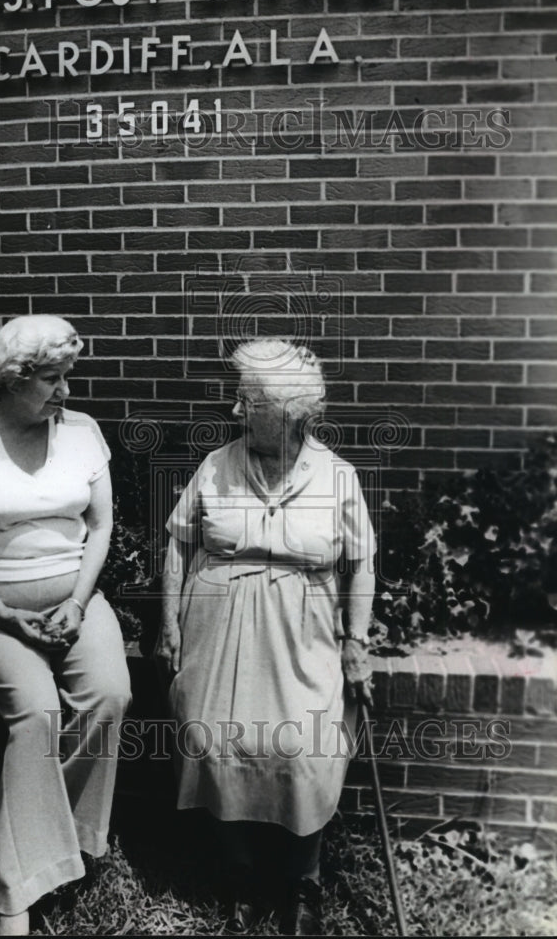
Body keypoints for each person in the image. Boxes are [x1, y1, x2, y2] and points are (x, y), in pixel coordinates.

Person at [155, 338, 375, 936]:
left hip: (302, 640)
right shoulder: (216, 465)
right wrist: (169, 620)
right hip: (217, 634)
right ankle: (242, 878)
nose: (235, 411)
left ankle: (304, 879)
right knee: (214, 744)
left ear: (289, 414)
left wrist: (356, 640)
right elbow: (178, 542)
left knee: (305, 751)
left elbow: (361, 564)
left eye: (247, 401)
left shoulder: (336, 476)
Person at [0, 314, 131, 937]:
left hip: (75, 596)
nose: (66, 391)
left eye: (68, 377)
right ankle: (16, 889)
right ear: (15, 379)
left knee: (110, 695)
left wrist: (76, 602)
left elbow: (99, 528)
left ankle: (60, 843)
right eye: (53, 379)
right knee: (37, 714)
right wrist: (3, 612)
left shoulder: (83, 433)